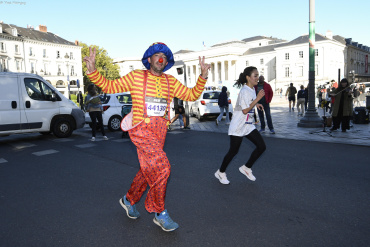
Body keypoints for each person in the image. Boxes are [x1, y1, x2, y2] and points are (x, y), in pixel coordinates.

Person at [83, 42, 210, 232]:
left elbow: (191, 95)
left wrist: (203, 76)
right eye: (157, 55)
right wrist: (93, 71)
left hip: (160, 130)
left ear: (166, 62)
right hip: (141, 129)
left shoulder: (170, 81)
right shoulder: (136, 77)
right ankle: (159, 212)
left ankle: (129, 199)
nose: (161, 59)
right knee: (163, 167)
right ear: (149, 59)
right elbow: (110, 86)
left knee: (147, 169)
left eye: (165, 57)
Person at [215, 66, 266, 185]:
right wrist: (258, 98)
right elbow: (244, 110)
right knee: (233, 151)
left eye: (258, 75)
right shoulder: (244, 90)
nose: (257, 78)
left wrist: (257, 103)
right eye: (255, 76)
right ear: (248, 77)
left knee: (261, 146)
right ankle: (220, 172)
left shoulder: (251, 89)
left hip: (248, 125)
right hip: (238, 125)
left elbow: (250, 102)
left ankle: (246, 168)